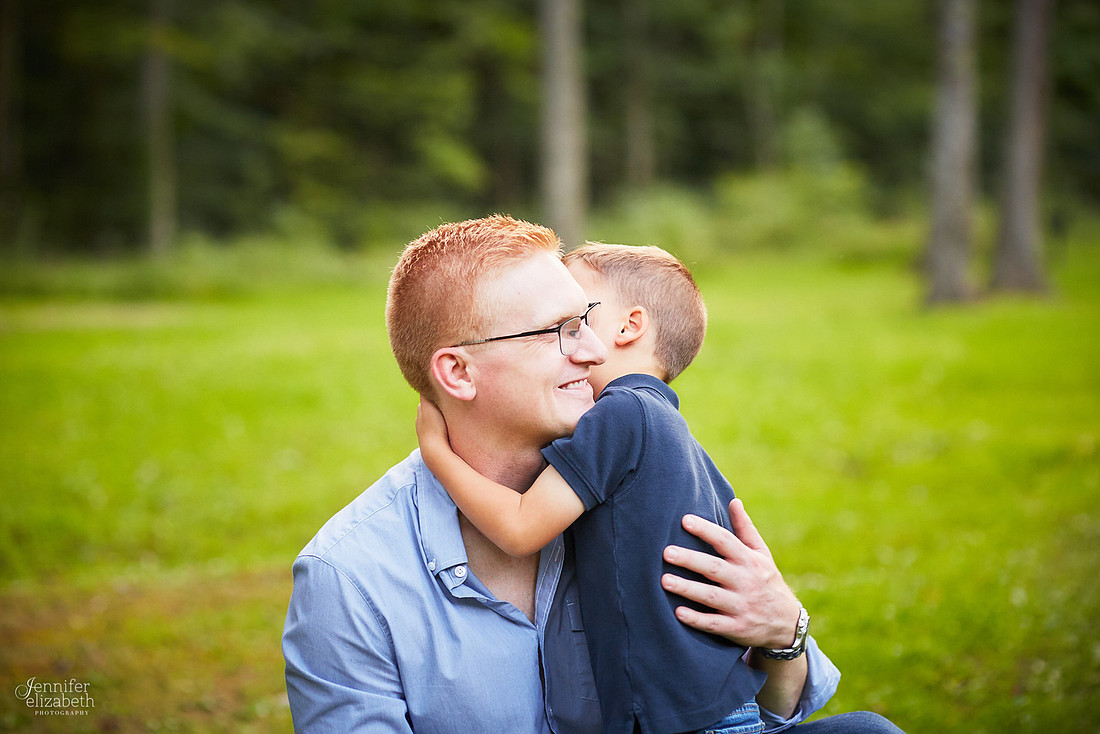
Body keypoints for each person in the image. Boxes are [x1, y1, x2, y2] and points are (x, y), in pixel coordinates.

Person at [282, 215, 904, 734]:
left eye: (585, 320)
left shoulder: (636, 477)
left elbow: (770, 709)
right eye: (557, 332)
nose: (593, 350)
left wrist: (782, 632)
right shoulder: (350, 578)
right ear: (459, 374)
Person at [415, 242, 791, 733]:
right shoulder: (676, 439)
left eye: (579, 318)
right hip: (713, 708)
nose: (575, 341)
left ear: (627, 327)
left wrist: (435, 451)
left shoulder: (623, 414)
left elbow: (521, 527)